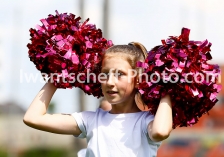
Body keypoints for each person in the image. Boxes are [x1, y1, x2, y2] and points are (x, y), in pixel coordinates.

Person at [23, 42, 173, 157]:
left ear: (139, 80)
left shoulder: (144, 122)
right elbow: (33, 118)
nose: (109, 82)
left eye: (119, 74)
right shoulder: (91, 120)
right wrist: (56, 76)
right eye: (105, 74)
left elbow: (160, 132)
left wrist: (168, 88)